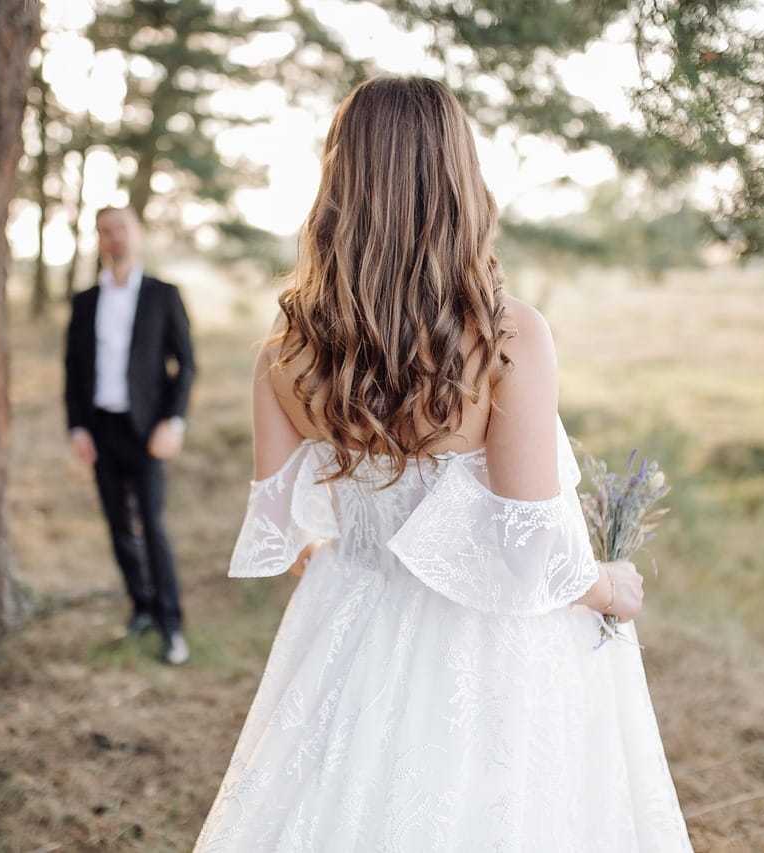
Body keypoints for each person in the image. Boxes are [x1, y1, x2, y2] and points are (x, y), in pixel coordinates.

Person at [194, 77, 693, 849]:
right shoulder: (508, 336)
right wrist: (611, 586)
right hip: (486, 646)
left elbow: (294, 538)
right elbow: (531, 549)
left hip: (347, 628)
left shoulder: (284, 355)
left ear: (339, 183)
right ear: (458, 181)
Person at [64, 205, 196, 665]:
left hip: (146, 432)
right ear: (98, 240)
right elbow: (73, 371)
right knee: (118, 526)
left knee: (153, 527)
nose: (113, 238)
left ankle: (171, 624)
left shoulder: (163, 295)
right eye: (105, 231)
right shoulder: (84, 302)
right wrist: (77, 427)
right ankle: (140, 606)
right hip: (101, 429)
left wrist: (173, 422)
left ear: (136, 234)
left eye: (121, 229)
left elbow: (186, 364)